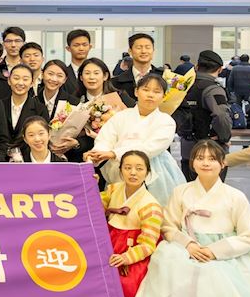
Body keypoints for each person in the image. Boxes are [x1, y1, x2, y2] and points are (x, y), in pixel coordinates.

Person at [134, 140, 250, 297]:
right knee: (167, 257)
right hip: (188, 244)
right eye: (200, 158)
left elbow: (248, 236)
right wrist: (188, 244)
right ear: (192, 163)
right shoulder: (181, 191)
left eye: (212, 159)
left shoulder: (235, 196)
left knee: (219, 273)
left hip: (224, 249)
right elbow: (168, 226)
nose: (205, 163)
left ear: (222, 163)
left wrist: (214, 251)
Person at [85, 74, 185, 202]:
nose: (150, 95)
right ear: (136, 92)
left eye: (156, 92)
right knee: (118, 208)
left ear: (163, 96)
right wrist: (97, 153)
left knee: (153, 208)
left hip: (155, 169)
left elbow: (150, 148)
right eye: (146, 89)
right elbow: (105, 139)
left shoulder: (166, 121)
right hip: (119, 169)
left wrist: (113, 153)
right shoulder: (121, 116)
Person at [101, 150, 164, 297]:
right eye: (128, 168)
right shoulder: (113, 189)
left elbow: (148, 244)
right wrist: (90, 183)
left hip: (131, 252)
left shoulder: (151, 206)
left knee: (125, 289)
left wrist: (126, 258)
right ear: (120, 170)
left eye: (139, 168)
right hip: (107, 244)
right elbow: (94, 204)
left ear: (147, 172)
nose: (133, 173)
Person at [175, 50, 232, 181]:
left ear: (196, 66)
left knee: (190, 188)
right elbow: (221, 115)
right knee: (211, 190)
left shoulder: (183, 86)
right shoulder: (214, 89)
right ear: (220, 69)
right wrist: (224, 137)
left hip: (187, 148)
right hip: (211, 151)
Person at [2, 64, 49, 159]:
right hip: (0, 159)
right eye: (16, 78)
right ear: (9, 81)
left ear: (32, 83)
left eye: (25, 79)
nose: (20, 83)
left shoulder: (40, 109)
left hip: (28, 159)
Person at [111, 33, 162, 100]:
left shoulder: (165, 77)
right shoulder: (115, 83)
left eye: (147, 47)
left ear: (153, 51)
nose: (143, 51)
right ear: (130, 51)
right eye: (139, 48)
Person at [63, 29, 93, 96]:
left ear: (90, 47)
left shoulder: (98, 73)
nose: (81, 48)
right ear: (68, 48)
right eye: (76, 45)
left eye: (84, 45)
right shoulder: (63, 74)